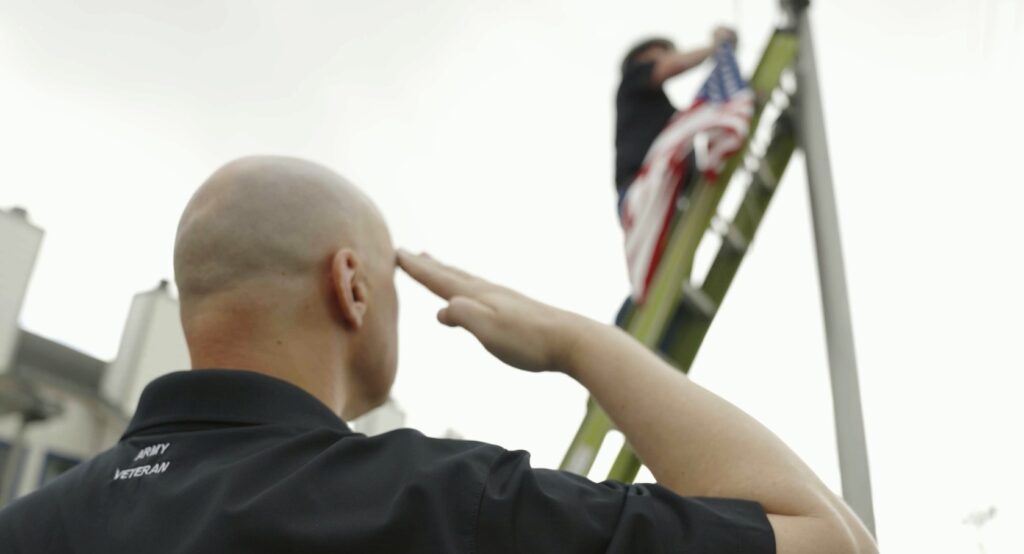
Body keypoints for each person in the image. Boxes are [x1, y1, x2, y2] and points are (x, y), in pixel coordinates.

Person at [0, 156, 877, 553]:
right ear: (352, 285)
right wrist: (582, 340)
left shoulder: (30, 526)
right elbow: (830, 543)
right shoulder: (447, 503)